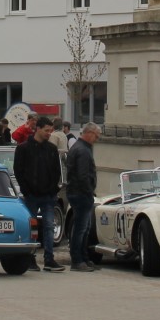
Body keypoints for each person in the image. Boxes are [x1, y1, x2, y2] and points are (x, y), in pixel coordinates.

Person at [13, 116, 64, 272]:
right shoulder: (23, 148)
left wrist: (54, 188)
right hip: (31, 196)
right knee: (31, 227)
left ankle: (49, 259)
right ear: (38, 129)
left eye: (51, 131)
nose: (49, 133)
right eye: (47, 130)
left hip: (48, 195)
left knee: (49, 226)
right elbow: (18, 171)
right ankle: (30, 259)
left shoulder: (51, 149)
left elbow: (56, 171)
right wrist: (26, 189)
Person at [65, 123, 101, 271]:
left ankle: (84, 258)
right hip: (81, 194)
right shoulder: (83, 150)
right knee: (81, 229)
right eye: (96, 136)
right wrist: (89, 192)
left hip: (77, 192)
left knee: (84, 228)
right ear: (89, 133)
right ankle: (78, 260)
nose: (96, 139)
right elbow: (83, 175)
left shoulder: (79, 148)